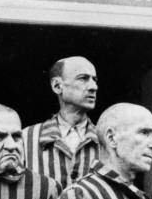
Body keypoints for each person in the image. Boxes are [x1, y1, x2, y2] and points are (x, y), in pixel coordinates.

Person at [21, 55, 100, 186]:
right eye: (83, 78)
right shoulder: (26, 138)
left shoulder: (106, 141)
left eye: (95, 80)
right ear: (57, 86)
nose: (94, 87)